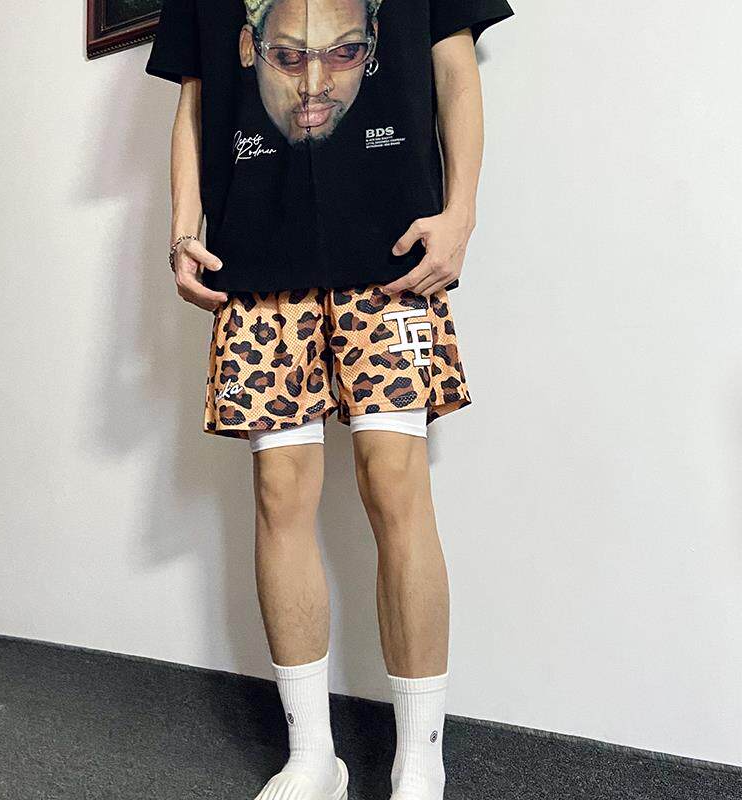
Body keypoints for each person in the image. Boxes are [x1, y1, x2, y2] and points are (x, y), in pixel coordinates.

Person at [146, 0, 513, 797]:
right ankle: (313, 756)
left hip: (392, 251)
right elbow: (195, 96)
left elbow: (454, 63)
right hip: (254, 257)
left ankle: (420, 761)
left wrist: (461, 214)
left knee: (396, 485)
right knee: (279, 495)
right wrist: (182, 230)